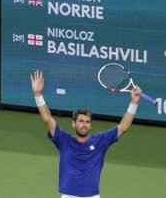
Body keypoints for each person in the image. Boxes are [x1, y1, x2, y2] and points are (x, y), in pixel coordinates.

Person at [30, 70, 141, 198]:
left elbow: (123, 127)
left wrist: (134, 102)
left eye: (87, 122)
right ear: (73, 123)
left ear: (90, 125)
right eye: (81, 121)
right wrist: (37, 94)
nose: (84, 124)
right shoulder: (63, 140)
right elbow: (47, 119)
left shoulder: (100, 141)